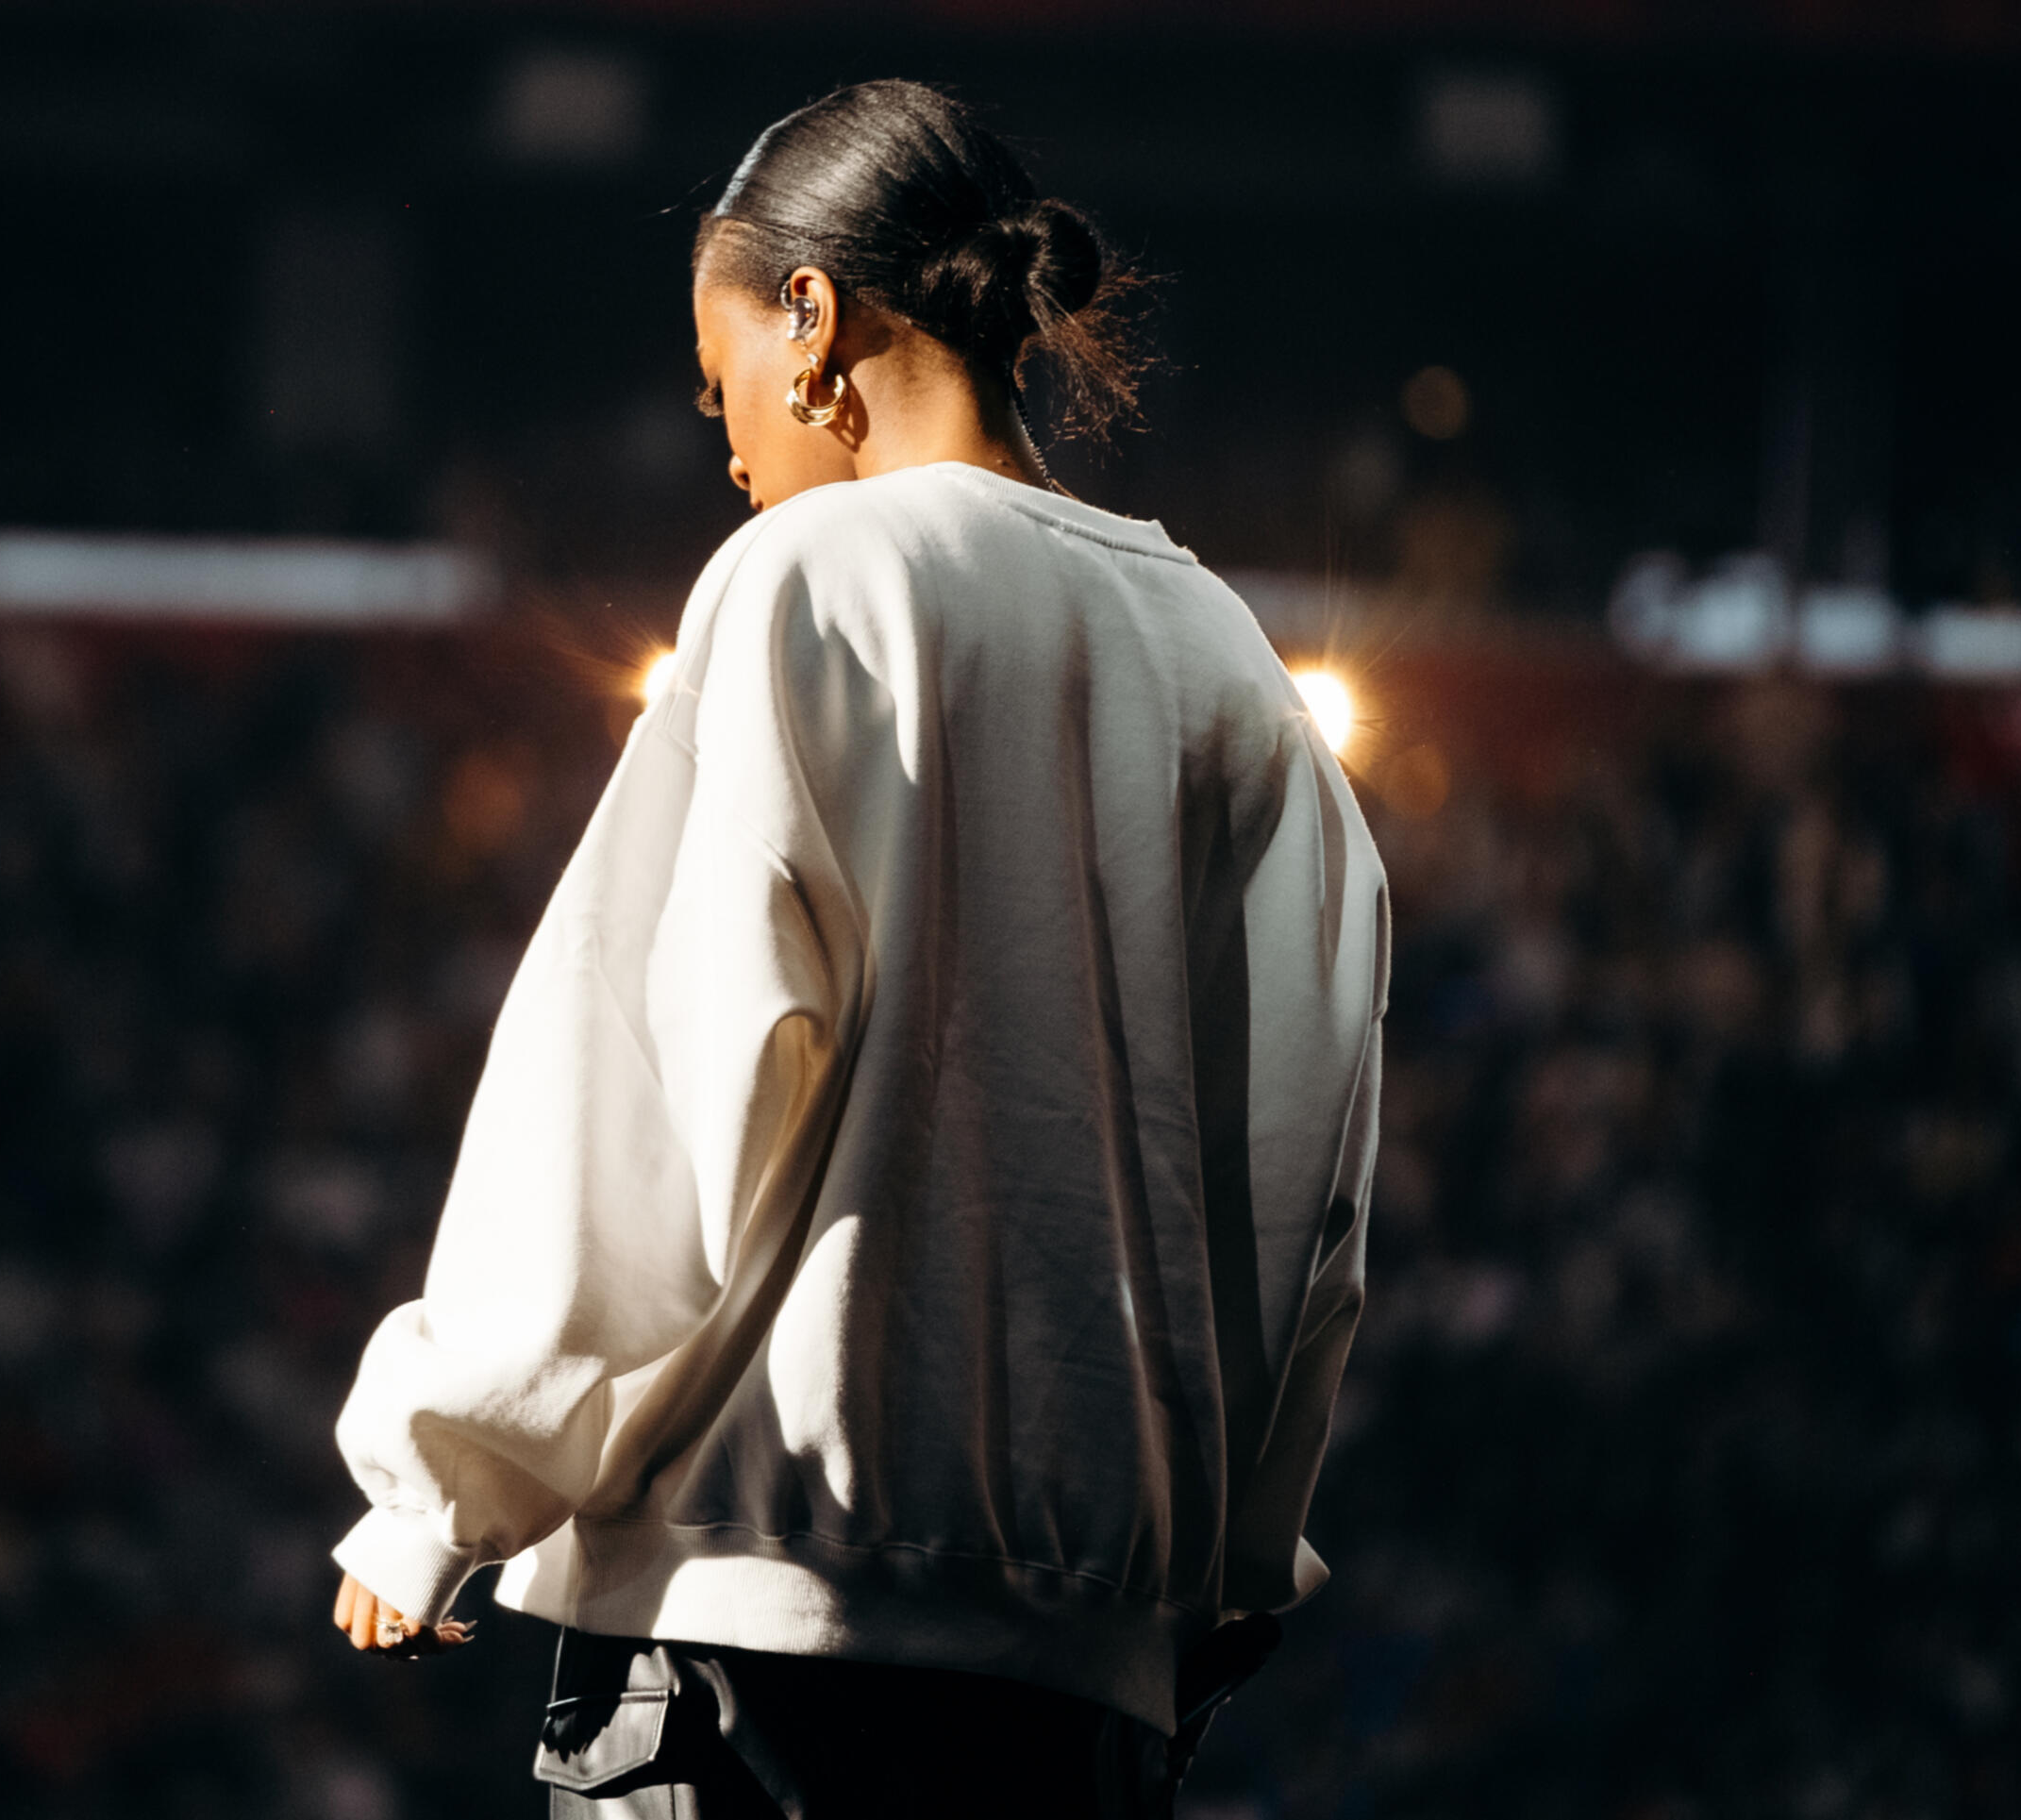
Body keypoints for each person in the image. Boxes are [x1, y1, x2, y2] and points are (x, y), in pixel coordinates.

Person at [327, 80, 1388, 1818]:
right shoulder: (1232, 662)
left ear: (812, 317)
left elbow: (659, 1102)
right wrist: (1213, 1577)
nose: (726, 439)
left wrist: (450, 1476)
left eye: (718, 372)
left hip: (758, 1658)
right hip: (1084, 1694)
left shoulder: (805, 578)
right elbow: (1301, 1209)